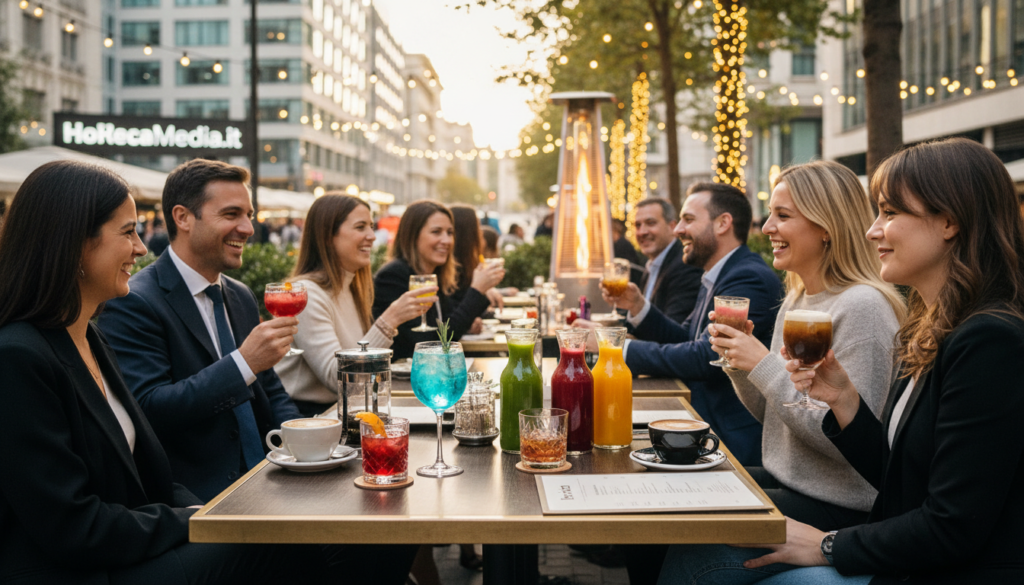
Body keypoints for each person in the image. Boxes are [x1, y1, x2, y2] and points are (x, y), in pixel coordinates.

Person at [658, 138, 1024, 584]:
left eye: (890, 213)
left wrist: (828, 544)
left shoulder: (988, 340)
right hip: (876, 527)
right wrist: (844, 401)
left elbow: (951, 525)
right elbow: (898, 474)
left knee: (696, 554)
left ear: (949, 222)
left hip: (928, 563)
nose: (873, 231)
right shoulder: (931, 329)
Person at [0, 160, 342, 583]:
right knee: (281, 541)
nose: (142, 248)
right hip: (85, 569)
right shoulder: (18, 356)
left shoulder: (89, 338)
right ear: (73, 243)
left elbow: (150, 470)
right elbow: (71, 526)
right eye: (128, 232)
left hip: (137, 538)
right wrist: (196, 518)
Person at [708, 161, 905, 533]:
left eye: (782, 215)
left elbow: (847, 445)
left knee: (694, 540)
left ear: (826, 228)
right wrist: (741, 364)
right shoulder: (797, 300)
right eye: (770, 215)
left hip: (841, 505)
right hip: (790, 481)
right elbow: (775, 417)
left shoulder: (863, 307)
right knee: (678, 499)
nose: (766, 228)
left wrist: (763, 364)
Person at [98, 159, 303, 502]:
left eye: (249, 215)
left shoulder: (238, 294)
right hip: (198, 499)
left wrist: (308, 442)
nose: (248, 228)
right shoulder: (134, 300)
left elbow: (270, 389)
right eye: (231, 214)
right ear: (182, 218)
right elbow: (149, 409)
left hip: (270, 475)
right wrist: (243, 364)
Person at [583, 182, 784, 467]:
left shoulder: (746, 279)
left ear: (723, 223)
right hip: (697, 422)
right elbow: (682, 337)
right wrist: (639, 307)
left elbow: (706, 357)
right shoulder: (719, 274)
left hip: (726, 439)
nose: (678, 230)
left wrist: (615, 348)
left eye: (688, 220)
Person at [275, 194, 435, 416]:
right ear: (328, 236)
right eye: (360, 227)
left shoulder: (351, 288)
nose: (372, 236)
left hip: (347, 411)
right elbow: (339, 380)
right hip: (309, 420)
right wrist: (390, 320)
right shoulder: (306, 294)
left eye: (371, 227)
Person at [373, 201, 504, 360]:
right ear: (413, 236)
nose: (447, 240)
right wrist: (477, 290)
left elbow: (447, 326)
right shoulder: (393, 276)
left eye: (450, 233)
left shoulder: (435, 274)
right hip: (402, 381)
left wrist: (468, 324)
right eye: (436, 232)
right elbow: (427, 343)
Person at [633, 198, 702, 323]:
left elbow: (673, 331)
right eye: (638, 225)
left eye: (650, 223)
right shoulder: (652, 265)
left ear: (672, 227)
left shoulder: (685, 266)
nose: (642, 232)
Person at [451, 204, 506, 310]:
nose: (481, 234)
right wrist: (479, 290)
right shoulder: (452, 272)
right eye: (478, 228)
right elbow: (450, 323)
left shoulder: (468, 266)